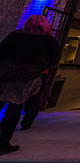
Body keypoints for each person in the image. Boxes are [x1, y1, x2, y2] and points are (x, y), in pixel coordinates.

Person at [0, 15, 59, 155]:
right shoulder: (47, 40)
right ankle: (3, 143)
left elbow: (1, 51)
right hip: (27, 76)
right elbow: (55, 58)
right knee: (15, 106)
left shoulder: (16, 35)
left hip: (6, 74)